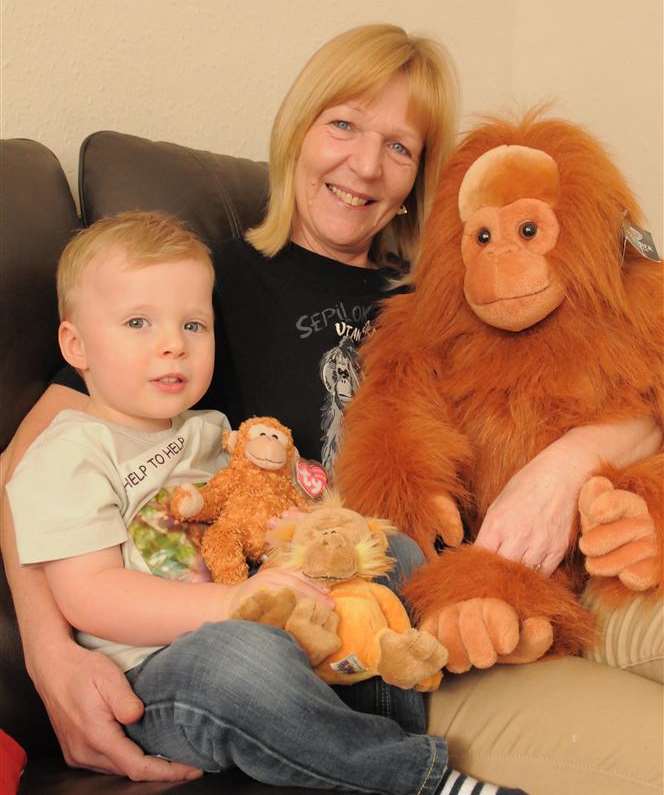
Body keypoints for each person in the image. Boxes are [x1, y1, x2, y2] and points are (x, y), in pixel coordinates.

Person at [0, 22, 660, 787]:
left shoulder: (450, 289)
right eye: (343, 124)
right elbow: (22, 463)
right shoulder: (196, 293)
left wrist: (567, 462)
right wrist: (52, 658)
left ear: (420, 178)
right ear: (298, 128)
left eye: (400, 147)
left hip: (547, 573)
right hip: (411, 642)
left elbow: (626, 386)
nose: (366, 166)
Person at [7, 209, 528, 795]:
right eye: (137, 323)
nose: (172, 346)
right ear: (75, 345)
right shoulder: (70, 451)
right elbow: (89, 597)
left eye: (193, 326)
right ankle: (417, 779)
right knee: (244, 657)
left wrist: (299, 534)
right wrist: (233, 601)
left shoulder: (211, 430)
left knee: (394, 552)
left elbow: (256, 514)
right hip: (159, 673)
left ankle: (363, 733)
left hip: (271, 622)